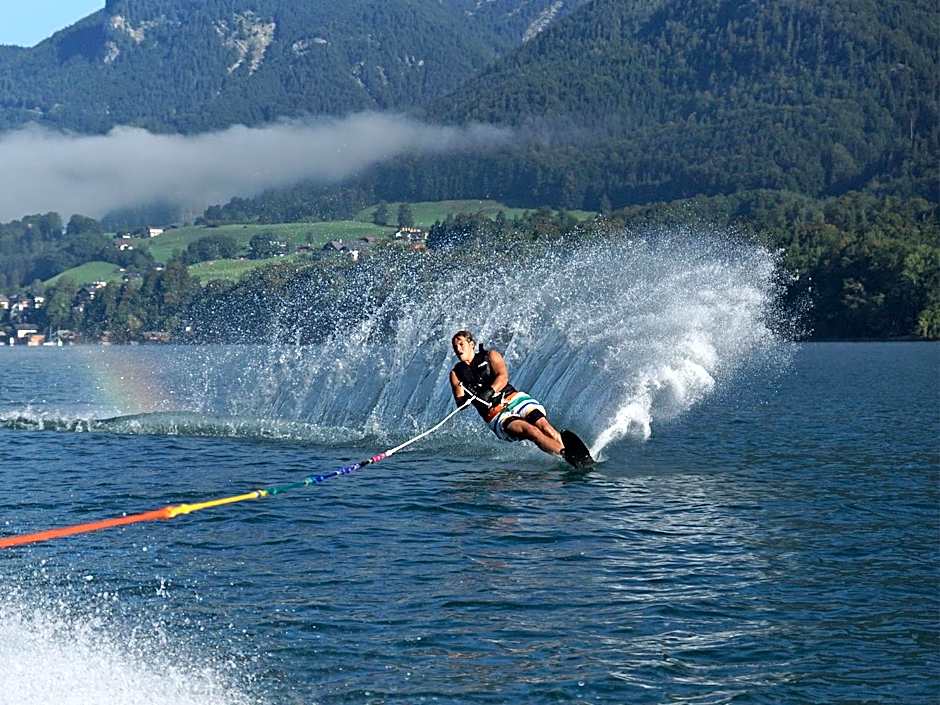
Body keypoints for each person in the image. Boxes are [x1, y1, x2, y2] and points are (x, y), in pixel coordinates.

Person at [449, 329, 566, 458]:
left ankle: (569, 450)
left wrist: (489, 391)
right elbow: (461, 405)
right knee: (531, 431)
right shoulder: (456, 374)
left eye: (461, 344)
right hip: (496, 415)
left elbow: (503, 377)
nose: (458, 349)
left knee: (545, 427)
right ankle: (565, 455)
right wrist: (469, 396)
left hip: (515, 400)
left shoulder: (491, 356)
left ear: (471, 344)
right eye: (455, 347)